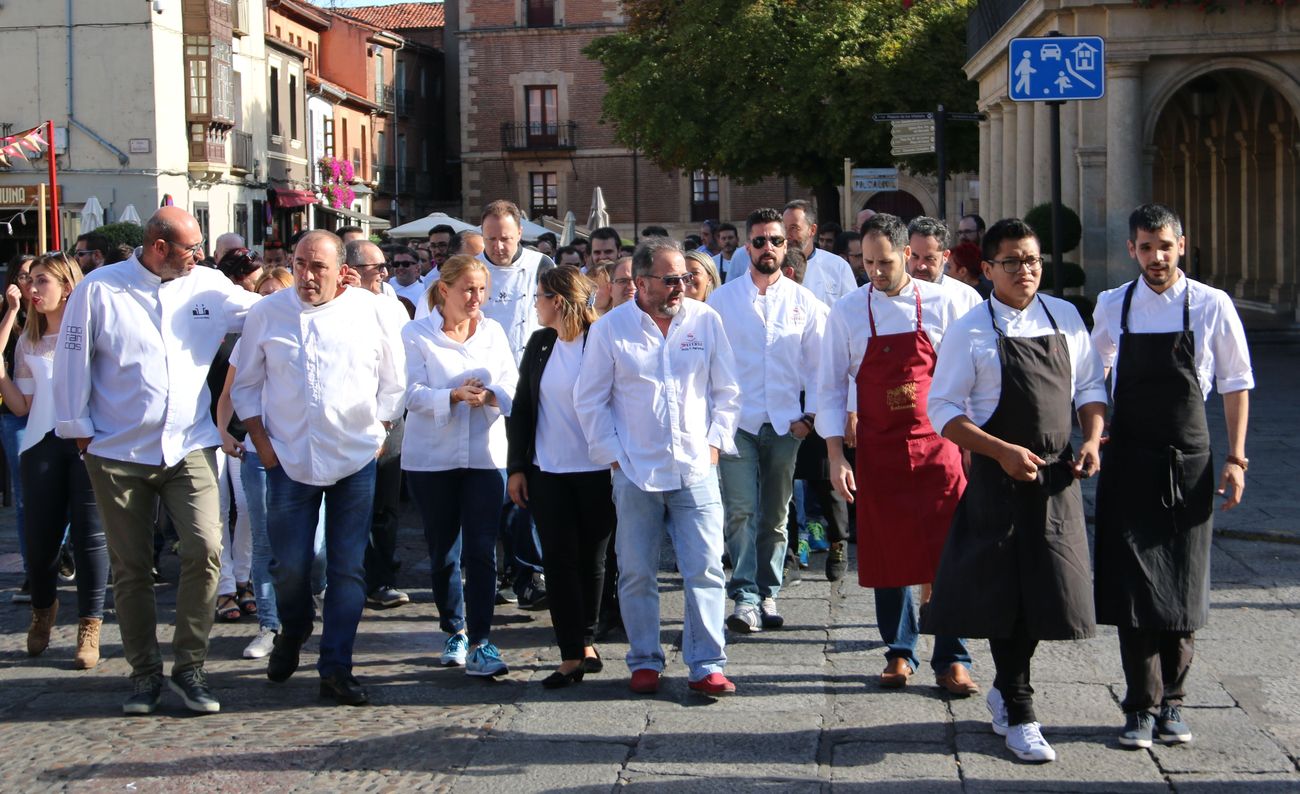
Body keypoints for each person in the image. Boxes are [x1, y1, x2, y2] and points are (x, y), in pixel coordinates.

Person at [54, 206, 260, 715]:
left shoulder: (208, 284)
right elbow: (71, 360)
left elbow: (263, 312)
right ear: (159, 246)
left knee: (206, 548)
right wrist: (80, 436)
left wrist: (330, 293)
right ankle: (144, 674)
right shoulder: (100, 288)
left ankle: (190, 666)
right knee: (131, 569)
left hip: (188, 443)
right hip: (117, 450)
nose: (201, 256)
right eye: (192, 248)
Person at [923, 217, 1107, 763]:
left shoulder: (1066, 316)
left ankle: (1007, 688)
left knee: (1048, 591)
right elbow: (942, 409)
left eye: (1032, 260)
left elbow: (1091, 386)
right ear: (988, 270)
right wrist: (1000, 451)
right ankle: (1021, 709)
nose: (1025, 271)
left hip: (1054, 479)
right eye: (1012, 262)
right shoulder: (970, 330)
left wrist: (1093, 437)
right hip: (997, 479)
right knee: (1005, 593)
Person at [1090, 203, 1253, 750]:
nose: (1155, 257)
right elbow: (1095, 372)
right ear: (1132, 250)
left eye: (1163, 246)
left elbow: (1235, 383)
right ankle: (1139, 706)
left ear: (1181, 245)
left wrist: (1237, 458)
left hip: (1190, 460)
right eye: (1144, 247)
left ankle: (1174, 705)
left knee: (1182, 585)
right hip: (1130, 460)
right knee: (1134, 589)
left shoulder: (1211, 304)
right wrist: (1095, 430)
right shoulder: (1115, 304)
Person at [232, 230, 405, 706]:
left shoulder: (369, 311)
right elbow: (245, 387)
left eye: (319, 267)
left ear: (340, 271)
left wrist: (379, 433)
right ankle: (294, 628)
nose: (307, 276)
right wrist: (265, 450)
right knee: (288, 567)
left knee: (348, 569)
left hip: (353, 460)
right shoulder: (267, 313)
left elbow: (394, 382)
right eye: (301, 263)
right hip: (288, 459)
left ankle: (336, 667)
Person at [574, 237, 741, 697]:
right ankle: (644, 659)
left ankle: (707, 662)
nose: (681, 287)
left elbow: (727, 390)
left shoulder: (704, 320)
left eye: (685, 278)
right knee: (636, 572)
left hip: (696, 468)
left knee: (705, 567)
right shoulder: (611, 329)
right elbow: (590, 400)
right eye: (670, 280)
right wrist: (613, 457)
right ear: (641, 282)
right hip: (635, 471)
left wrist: (714, 445)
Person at [819, 214, 975, 696]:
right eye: (866, 263)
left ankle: (952, 656)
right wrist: (835, 457)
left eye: (884, 262)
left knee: (949, 551)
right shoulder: (847, 312)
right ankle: (899, 651)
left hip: (940, 447)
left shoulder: (950, 304)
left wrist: (975, 446)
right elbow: (827, 388)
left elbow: (972, 381)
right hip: (880, 449)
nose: (875, 272)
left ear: (908, 254)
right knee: (887, 552)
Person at [707, 208, 825, 633]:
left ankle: (768, 591)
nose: (768, 248)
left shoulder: (804, 301)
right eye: (759, 241)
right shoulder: (721, 301)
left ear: (787, 245)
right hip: (736, 424)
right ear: (746, 247)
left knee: (776, 513)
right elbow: (709, 366)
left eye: (776, 241)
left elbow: (819, 366)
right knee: (740, 512)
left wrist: (809, 417)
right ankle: (744, 596)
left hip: (784, 424)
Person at [402, 255, 518, 676]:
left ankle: (483, 641)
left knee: (482, 547)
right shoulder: (416, 333)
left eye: (482, 289)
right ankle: (454, 627)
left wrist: (488, 396)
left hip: (485, 455)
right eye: (468, 289)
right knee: (443, 549)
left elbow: (511, 383)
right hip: (432, 459)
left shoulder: (494, 331)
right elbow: (409, 393)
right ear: (445, 290)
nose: (476, 298)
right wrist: (451, 396)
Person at [506, 266, 614, 688]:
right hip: (548, 470)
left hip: (598, 470)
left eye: (539, 297)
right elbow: (524, 407)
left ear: (557, 300)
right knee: (558, 560)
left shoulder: (600, 341)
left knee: (593, 560)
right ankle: (571, 653)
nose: (535, 304)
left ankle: (586, 640)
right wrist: (517, 466)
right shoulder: (540, 343)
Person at [0, 253, 108, 669]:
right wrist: (3, 375)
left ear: (67, 287)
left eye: (42, 281)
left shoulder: (90, 335)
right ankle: (43, 609)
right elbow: (21, 407)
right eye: (31, 281)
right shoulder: (29, 341)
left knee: (90, 538)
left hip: (85, 443)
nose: (32, 288)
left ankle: (90, 625)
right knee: (41, 541)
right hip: (41, 444)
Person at [217, 267, 295, 660]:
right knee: (263, 538)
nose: (267, 300)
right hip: (258, 450)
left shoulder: (304, 329)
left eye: (275, 293)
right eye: (261, 294)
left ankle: (299, 604)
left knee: (310, 549)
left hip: (305, 452)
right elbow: (231, 391)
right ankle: (270, 624)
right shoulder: (247, 337)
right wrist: (223, 431)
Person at [344, 240, 413, 610]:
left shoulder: (391, 307)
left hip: (389, 417)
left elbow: (401, 364)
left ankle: (381, 578)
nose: (385, 273)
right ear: (351, 270)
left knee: (385, 505)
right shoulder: (333, 305)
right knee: (351, 505)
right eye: (377, 267)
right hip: (348, 420)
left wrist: (387, 421)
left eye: (385, 266)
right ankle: (347, 576)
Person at [211, 249, 264, 625]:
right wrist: (218, 431)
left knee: (246, 509)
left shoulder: (256, 318)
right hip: (207, 427)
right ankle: (225, 586)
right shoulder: (205, 320)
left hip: (245, 428)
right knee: (216, 511)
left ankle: (243, 578)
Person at [3, 254, 33, 603]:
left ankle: (58, 547)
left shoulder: (55, 313)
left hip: (54, 414)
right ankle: (32, 570)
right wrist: (11, 311)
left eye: (38, 277)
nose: (31, 284)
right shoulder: (7, 312)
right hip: (16, 413)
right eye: (26, 276)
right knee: (25, 496)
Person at [905, 216, 982, 314]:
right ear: (906, 253)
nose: (921, 265)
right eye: (915, 256)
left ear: (945, 256)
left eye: (929, 258)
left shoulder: (967, 299)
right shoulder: (890, 297)